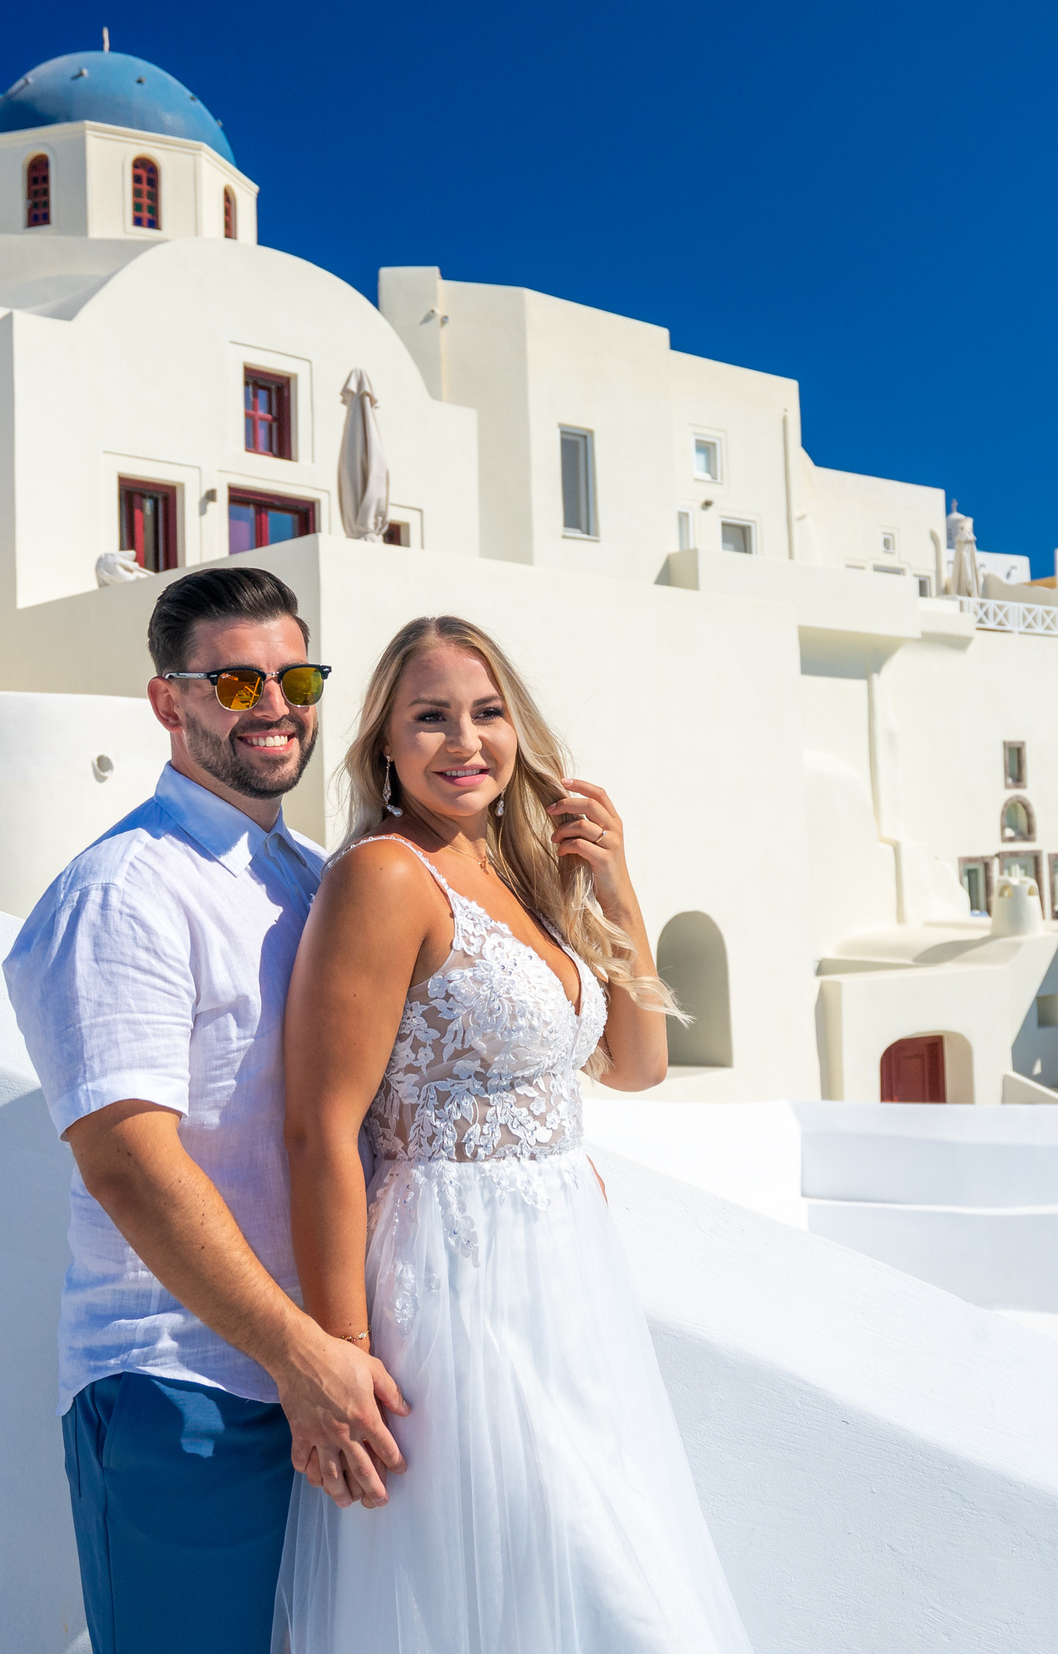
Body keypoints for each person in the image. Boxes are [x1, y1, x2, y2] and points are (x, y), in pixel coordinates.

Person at [276, 615, 750, 1653]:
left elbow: (635, 1064)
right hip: (454, 1284)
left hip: (565, 1280)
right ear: (384, 746)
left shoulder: (517, 871)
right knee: (592, 1604)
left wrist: (614, 882)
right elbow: (319, 1129)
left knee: (577, 1598)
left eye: (487, 714)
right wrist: (337, 1358)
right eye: (431, 717)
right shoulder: (388, 876)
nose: (465, 741)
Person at [3, 567, 406, 1654]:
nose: (275, 705)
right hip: (186, 1386)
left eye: (298, 676)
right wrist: (297, 1355)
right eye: (235, 684)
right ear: (168, 702)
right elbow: (128, 1164)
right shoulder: (123, 893)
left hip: (328, 1381)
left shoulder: (317, 879)